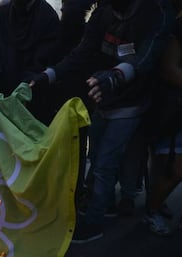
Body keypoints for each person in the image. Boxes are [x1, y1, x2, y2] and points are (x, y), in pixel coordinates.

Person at [30, 0, 175, 243]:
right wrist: (48, 75)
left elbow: (145, 58)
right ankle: (103, 204)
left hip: (131, 103)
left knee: (105, 164)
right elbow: (82, 52)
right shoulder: (103, 14)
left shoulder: (155, 12)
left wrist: (116, 77)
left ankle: (93, 223)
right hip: (103, 98)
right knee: (95, 157)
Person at [0, 0, 61, 125]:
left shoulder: (47, 17)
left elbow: (43, 59)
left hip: (32, 97)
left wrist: (24, 89)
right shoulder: (1, 15)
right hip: (2, 95)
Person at [143, 0, 182, 236]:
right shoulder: (176, 28)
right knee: (175, 170)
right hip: (175, 111)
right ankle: (152, 210)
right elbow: (169, 70)